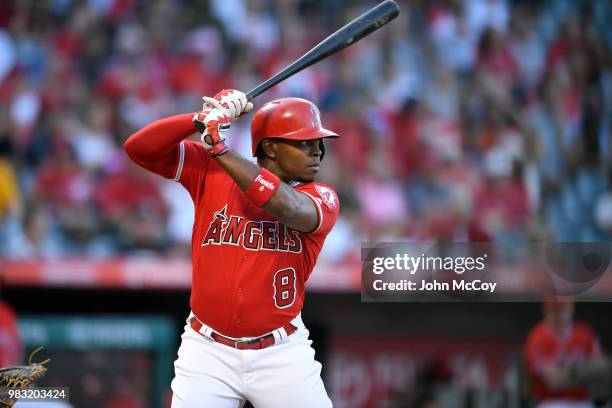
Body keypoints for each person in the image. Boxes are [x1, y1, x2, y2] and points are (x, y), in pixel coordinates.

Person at [124, 89, 340, 407]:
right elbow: (139, 149)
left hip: (281, 354)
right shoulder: (211, 171)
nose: (317, 152)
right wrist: (197, 120)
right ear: (270, 147)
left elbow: (290, 208)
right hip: (207, 351)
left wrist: (220, 148)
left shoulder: (321, 195)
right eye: (304, 142)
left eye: (318, 142)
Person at [523, 300, 610, 408]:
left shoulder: (584, 334)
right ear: (546, 311)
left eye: (562, 310)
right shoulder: (537, 337)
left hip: (584, 401)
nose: (558, 316)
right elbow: (555, 382)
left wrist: (567, 371)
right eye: (554, 311)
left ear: (570, 309)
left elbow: (602, 369)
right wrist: (585, 371)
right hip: (551, 402)